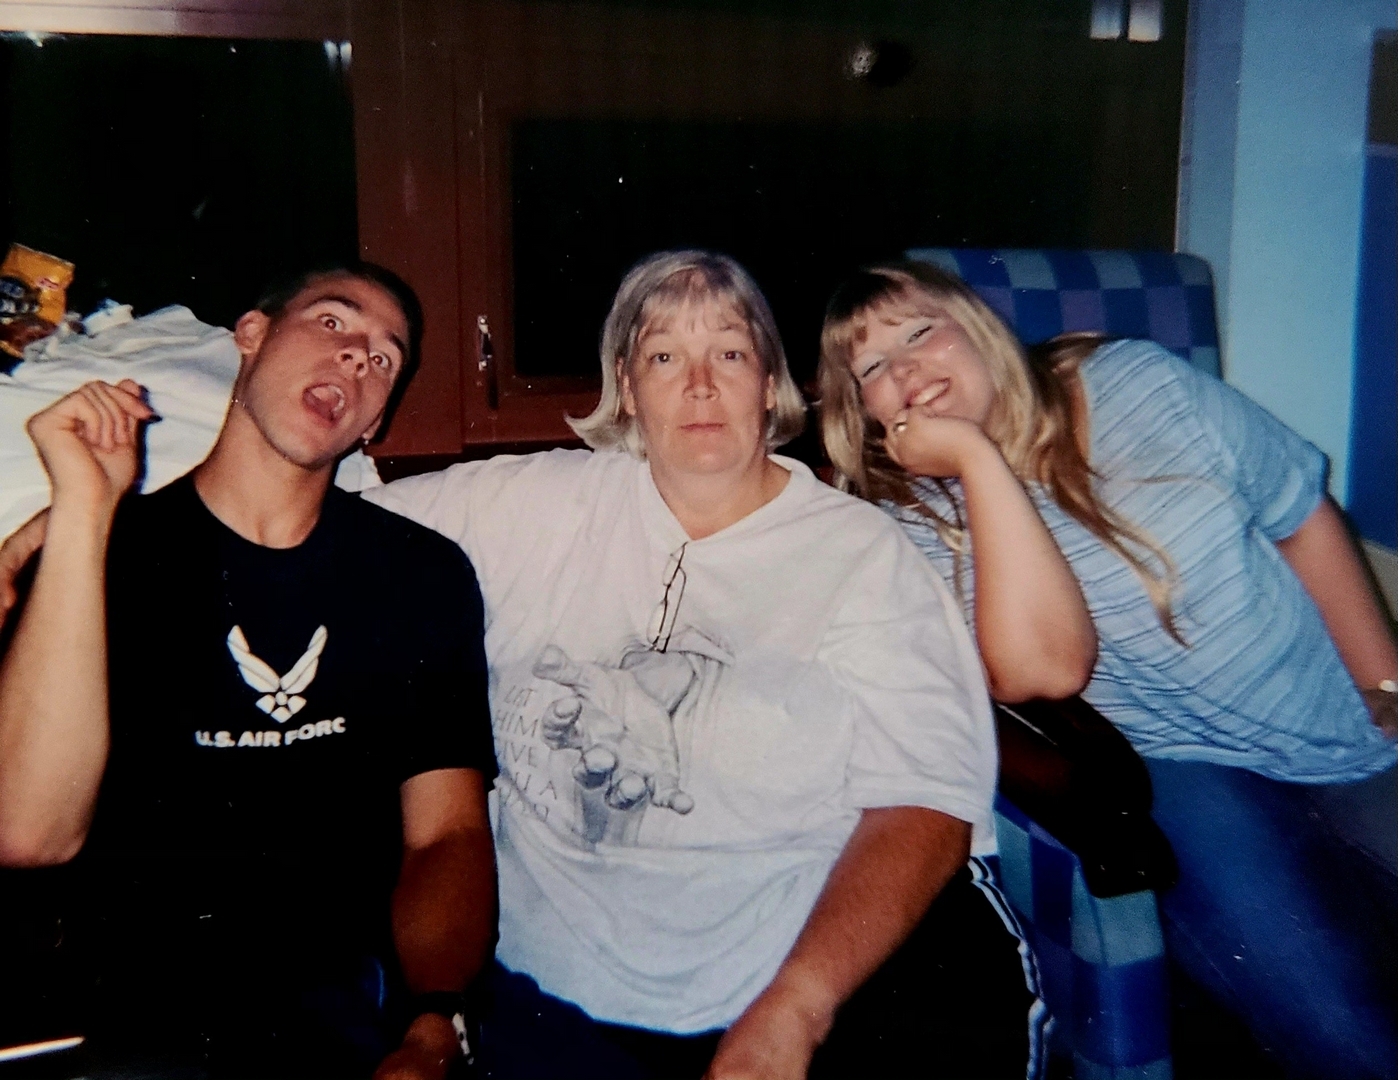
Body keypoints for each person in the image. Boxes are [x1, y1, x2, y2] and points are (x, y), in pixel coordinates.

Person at [361, 250, 1046, 1080]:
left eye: (729, 352)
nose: (698, 385)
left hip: (795, 975)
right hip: (539, 991)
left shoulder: (860, 553)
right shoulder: (529, 505)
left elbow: (925, 802)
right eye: (663, 356)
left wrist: (797, 1006)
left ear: (770, 383)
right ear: (627, 386)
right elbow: (321, 531)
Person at [816, 259, 1398, 1080]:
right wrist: (979, 463)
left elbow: (1298, 510)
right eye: (873, 366)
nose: (906, 368)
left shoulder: (1139, 383)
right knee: (1350, 1034)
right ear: (864, 410)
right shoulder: (905, 521)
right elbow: (1046, 670)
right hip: (1177, 770)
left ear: (977, 328)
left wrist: (1384, 681)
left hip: (1321, 710)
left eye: (920, 332)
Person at [0, 263, 498, 1080]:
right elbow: (28, 835)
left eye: (384, 358)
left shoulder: (420, 574)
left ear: (376, 420)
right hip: (136, 1025)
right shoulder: (101, 552)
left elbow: (446, 834)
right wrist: (86, 506)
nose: (357, 356)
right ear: (252, 335)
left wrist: (433, 1025)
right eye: (332, 323)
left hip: (347, 1015)